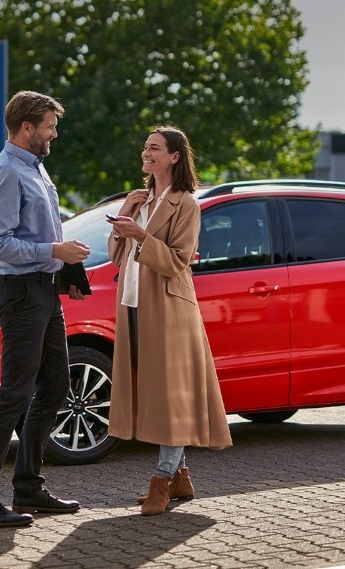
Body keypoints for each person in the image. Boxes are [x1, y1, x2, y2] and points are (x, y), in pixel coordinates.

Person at [0, 90, 92, 528]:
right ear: (27, 127)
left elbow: (46, 231)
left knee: (56, 384)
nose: (54, 133)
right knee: (15, 393)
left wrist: (65, 264)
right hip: (18, 292)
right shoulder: (5, 172)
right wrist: (54, 248)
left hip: (43, 289)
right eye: (50, 125)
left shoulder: (36, 169)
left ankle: (28, 487)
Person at [105, 126, 232, 516]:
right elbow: (114, 255)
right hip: (133, 306)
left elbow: (178, 261)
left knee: (170, 396)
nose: (147, 152)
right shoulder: (140, 199)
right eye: (145, 147)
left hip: (170, 309)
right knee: (153, 395)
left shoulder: (186, 204)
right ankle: (180, 477)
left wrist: (142, 234)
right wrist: (127, 214)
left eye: (155, 148)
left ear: (174, 156)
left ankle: (162, 481)